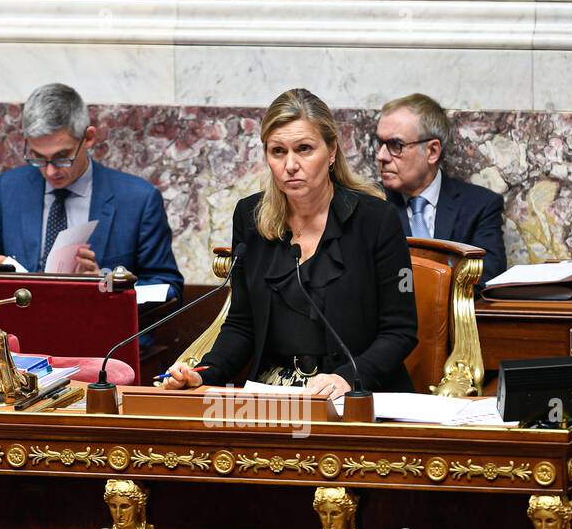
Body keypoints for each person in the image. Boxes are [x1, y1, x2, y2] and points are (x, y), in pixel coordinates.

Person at [163, 88, 418, 395]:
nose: (291, 165)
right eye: (278, 151)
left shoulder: (376, 220)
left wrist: (347, 378)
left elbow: (400, 330)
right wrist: (205, 374)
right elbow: (242, 324)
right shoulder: (251, 217)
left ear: (332, 150)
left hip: (356, 391)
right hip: (274, 392)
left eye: (305, 149)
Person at [0, 83, 184, 298]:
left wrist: (107, 286)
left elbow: (169, 288)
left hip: (105, 329)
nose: (50, 171)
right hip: (21, 328)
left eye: (62, 156)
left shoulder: (139, 200)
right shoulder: (9, 189)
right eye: (38, 157)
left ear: (89, 138)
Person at [375, 93, 507, 284]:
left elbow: (488, 274)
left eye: (396, 145)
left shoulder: (479, 206)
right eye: (380, 143)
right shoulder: (368, 202)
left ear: (432, 151)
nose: (381, 156)